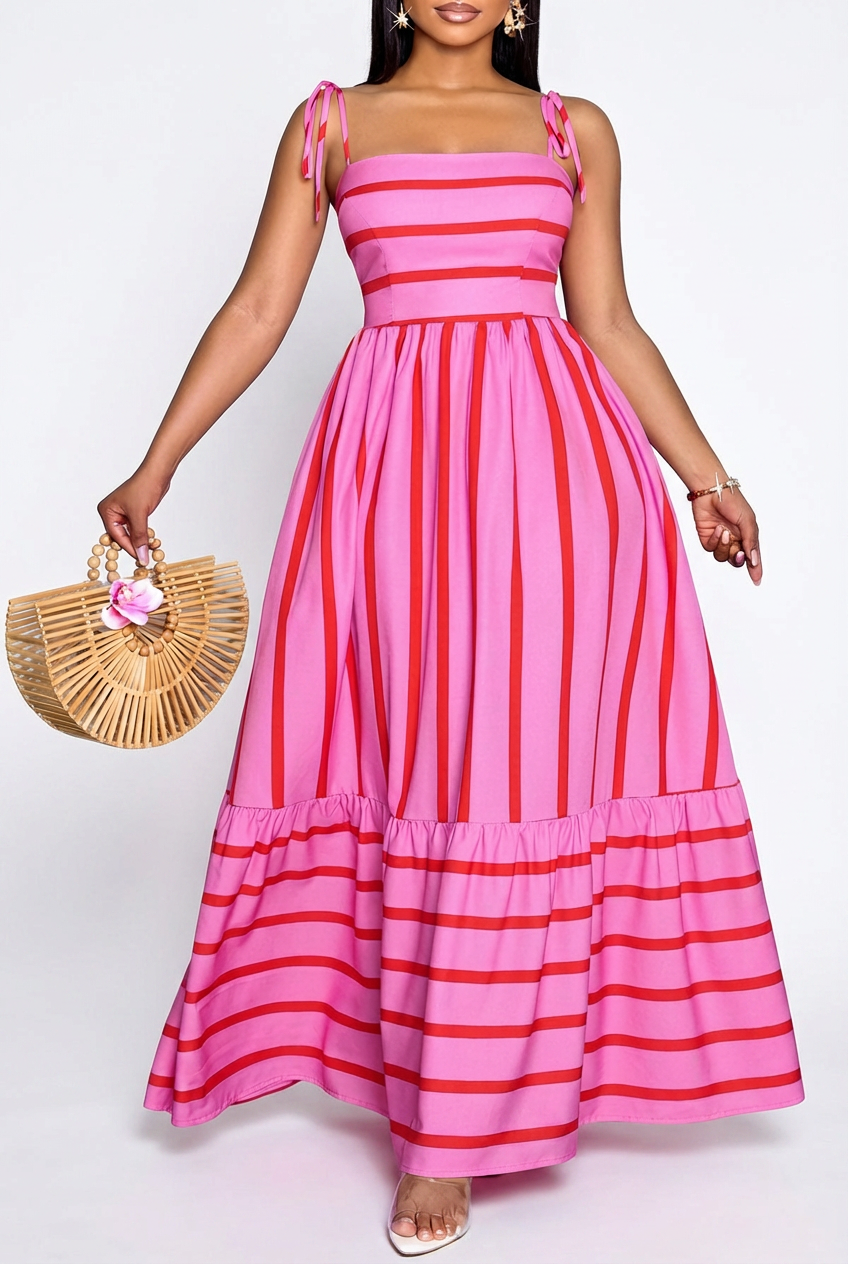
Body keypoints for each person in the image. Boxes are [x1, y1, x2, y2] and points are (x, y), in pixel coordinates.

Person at [97, 1, 803, 1254]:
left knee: (516, 779)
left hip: (559, 486)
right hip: (388, 487)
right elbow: (259, 308)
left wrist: (704, 478)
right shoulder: (330, 124)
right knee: (419, 769)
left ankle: (455, 1133)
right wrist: (156, 465)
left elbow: (606, 321)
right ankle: (445, 1093)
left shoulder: (571, 129)